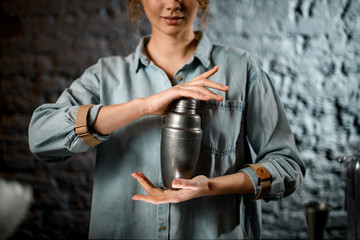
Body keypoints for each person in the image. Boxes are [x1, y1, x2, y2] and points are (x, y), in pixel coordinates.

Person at [28, 0, 306, 239]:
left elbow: (287, 166)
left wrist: (211, 186)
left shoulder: (242, 69)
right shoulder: (105, 76)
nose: (173, 3)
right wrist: (143, 106)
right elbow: (41, 137)